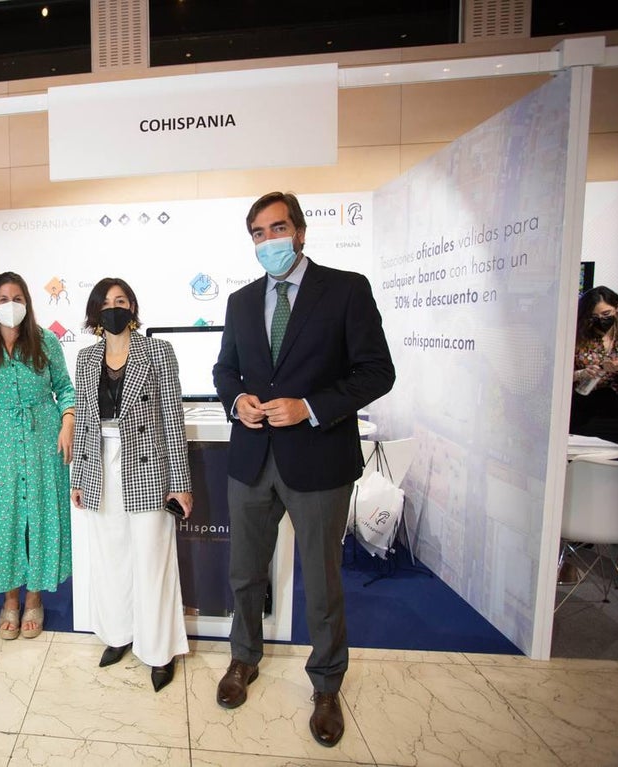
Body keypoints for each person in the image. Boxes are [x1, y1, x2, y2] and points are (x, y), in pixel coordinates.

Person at [212, 192, 395, 746]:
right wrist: (236, 400)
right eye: (259, 233)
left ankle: (326, 683)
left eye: (278, 228)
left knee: (321, 580)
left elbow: (376, 372)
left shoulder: (345, 290)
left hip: (317, 460)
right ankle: (243, 658)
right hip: (251, 458)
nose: (269, 241)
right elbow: (225, 369)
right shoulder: (242, 302)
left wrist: (310, 407)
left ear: (301, 231)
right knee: (245, 572)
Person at [70, 277, 193, 693]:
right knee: (111, 557)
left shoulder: (157, 351)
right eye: (106, 302)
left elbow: (173, 421)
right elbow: (85, 422)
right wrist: (79, 477)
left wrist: (181, 482)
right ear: (94, 313)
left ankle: (159, 651)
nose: (114, 308)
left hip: (148, 468)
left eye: (121, 301)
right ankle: (118, 635)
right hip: (99, 465)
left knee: (152, 560)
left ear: (133, 308)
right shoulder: (85, 359)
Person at [0, 272, 75, 640]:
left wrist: (67, 421)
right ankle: (10, 600)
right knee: (5, 521)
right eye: (3, 299)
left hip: (44, 442)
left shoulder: (45, 342)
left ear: (27, 302)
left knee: (41, 518)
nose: (10, 305)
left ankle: (35, 599)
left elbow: (65, 389)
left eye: (17, 297)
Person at [569, 286, 618, 460]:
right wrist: (582, 374)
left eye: (606, 314)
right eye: (595, 317)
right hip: (585, 412)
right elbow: (562, 375)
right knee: (584, 466)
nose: (601, 320)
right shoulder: (577, 338)